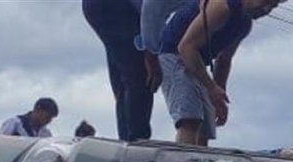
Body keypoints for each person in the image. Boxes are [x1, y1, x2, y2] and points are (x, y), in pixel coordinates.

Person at [148, 0, 282, 145]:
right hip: (173, 54)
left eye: (273, 6)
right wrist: (211, 88)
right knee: (190, 120)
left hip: (196, 62)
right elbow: (186, 47)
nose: (266, 9)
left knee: (206, 127)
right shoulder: (221, 6)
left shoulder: (245, 25)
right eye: (265, 1)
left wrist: (219, 98)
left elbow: (224, 60)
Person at [83, 0, 160, 141]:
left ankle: (127, 141)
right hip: (121, 7)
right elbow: (147, 9)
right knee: (139, 74)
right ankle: (136, 143)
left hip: (97, 7)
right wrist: (150, 52)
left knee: (125, 78)